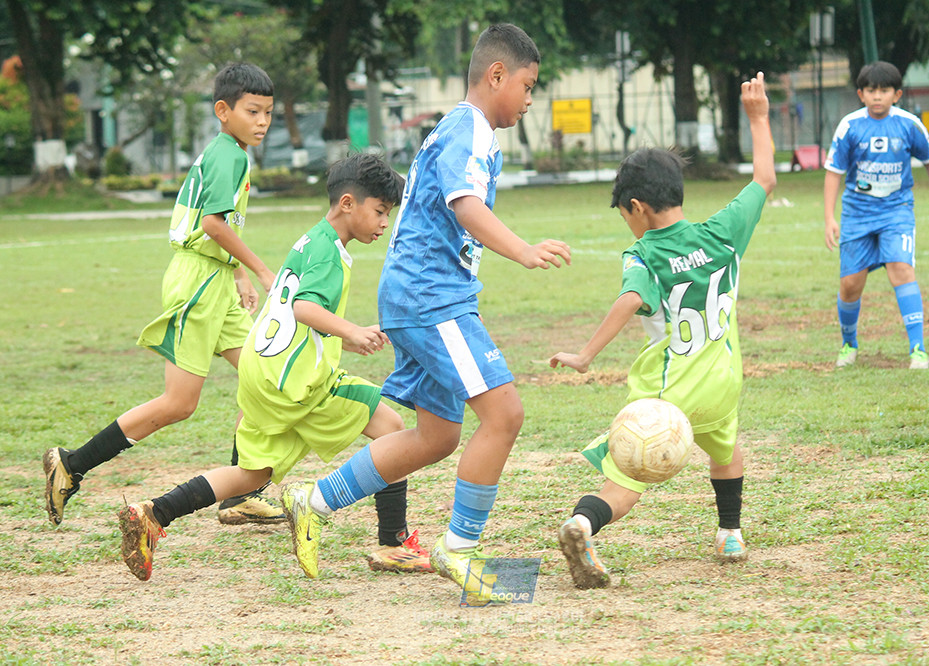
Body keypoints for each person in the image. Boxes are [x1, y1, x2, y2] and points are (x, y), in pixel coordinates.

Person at [277, 24, 571, 596]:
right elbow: (464, 205)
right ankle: (460, 549)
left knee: (437, 436)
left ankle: (311, 500)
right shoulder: (469, 130)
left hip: (420, 294)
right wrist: (523, 250)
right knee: (505, 415)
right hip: (429, 297)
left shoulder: (466, 131)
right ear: (496, 75)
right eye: (528, 86)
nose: (530, 100)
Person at [117, 153, 431, 581]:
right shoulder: (329, 253)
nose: (383, 223)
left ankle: (156, 512)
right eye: (379, 211)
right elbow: (304, 308)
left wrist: (361, 329)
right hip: (297, 381)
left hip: (262, 371)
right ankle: (393, 544)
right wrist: (352, 333)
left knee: (253, 474)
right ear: (346, 203)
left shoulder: (312, 240)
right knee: (394, 430)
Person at [548, 72, 776, 589]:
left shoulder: (643, 253)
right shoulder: (724, 232)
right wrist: (758, 118)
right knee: (726, 446)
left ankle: (584, 523)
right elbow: (764, 180)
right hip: (723, 381)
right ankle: (730, 533)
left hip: (669, 393)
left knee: (628, 474)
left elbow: (632, 298)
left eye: (624, 214)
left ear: (638, 208)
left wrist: (585, 355)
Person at [43, 63, 284, 528]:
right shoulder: (228, 156)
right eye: (253, 111)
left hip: (213, 279)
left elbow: (215, 225)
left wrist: (234, 272)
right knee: (180, 403)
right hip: (196, 283)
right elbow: (212, 223)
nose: (262, 122)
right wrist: (259, 267)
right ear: (222, 110)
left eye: (269, 113)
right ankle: (71, 465)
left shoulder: (229, 152)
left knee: (264, 373)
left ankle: (242, 492)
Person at [824, 60, 929, 370]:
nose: (877, 96)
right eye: (871, 90)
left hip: (897, 211)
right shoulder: (850, 126)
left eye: (884, 90)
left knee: (901, 269)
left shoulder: (909, 124)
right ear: (860, 94)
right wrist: (829, 217)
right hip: (857, 213)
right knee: (851, 284)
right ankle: (849, 343)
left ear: (897, 94)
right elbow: (833, 173)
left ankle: (918, 349)